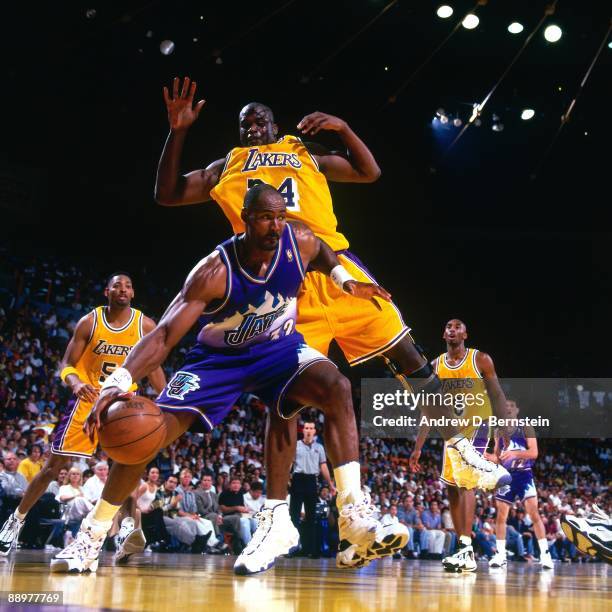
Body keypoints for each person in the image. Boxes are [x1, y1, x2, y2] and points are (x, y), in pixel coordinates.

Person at [154, 78, 511, 494]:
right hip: (282, 286)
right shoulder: (226, 165)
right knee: (286, 398)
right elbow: (167, 193)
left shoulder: (302, 151)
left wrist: (342, 129)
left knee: (410, 356)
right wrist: (177, 132)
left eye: (260, 120)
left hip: (336, 265)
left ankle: (461, 450)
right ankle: (276, 511)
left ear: (274, 124)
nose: (252, 126)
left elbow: (368, 171)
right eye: (244, 123)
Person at [50, 184, 408, 575]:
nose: (275, 226)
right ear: (246, 218)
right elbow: (165, 335)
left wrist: (344, 280)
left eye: (280, 217)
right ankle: (91, 536)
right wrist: (116, 384)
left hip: (278, 349)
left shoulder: (299, 241)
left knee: (336, 386)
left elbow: (323, 249)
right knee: (144, 434)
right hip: (218, 362)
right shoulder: (214, 271)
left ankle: (352, 512)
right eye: (266, 218)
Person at [0, 273, 166, 560]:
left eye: (127, 285)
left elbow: (153, 367)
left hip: (124, 403)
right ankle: (16, 519)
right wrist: (75, 383)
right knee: (53, 468)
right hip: (88, 400)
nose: (122, 289)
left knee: (127, 466)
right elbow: (66, 364)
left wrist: (166, 403)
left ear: (133, 293)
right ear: (107, 291)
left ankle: (126, 528)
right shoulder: (90, 322)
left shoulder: (145, 325)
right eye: (117, 285)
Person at [409, 319, 509, 572]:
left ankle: (466, 546)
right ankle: (463, 550)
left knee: (466, 481)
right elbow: (429, 408)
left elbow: (496, 394)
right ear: (444, 334)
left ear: (465, 333)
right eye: (448, 326)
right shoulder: (436, 365)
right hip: (450, 432)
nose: (452, 329)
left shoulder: (480, 359)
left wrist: (503, 428)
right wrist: (418, 446)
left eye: (457, 326)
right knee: (452, 488)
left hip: (477, 425)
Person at [488, 400, 554, 570]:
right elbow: (498, 457)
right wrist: (485, 456)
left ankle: (545, 555)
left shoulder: (526, 427)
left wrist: (514, 452)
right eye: (505, 406)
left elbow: (534, 453)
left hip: (524, 475)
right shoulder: (498, 431)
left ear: (517, 410)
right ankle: (500, 555)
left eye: (511, 406)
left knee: (534, 514)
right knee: (501, 516)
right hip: (506, 476)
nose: (508, 408)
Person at [289, 420, 335, 557]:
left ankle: (310, 549)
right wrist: (287, 478)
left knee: (311, 517)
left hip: (311, 481)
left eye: (311, 428)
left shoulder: (319, 447)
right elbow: (289, 463)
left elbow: (323, 466)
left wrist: (331, 484)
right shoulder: (295, 445)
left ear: (314, 431)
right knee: (294, 516)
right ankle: (292, 548)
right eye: (306, 428)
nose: (309, 430)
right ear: (303, 430)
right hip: (297, 479)